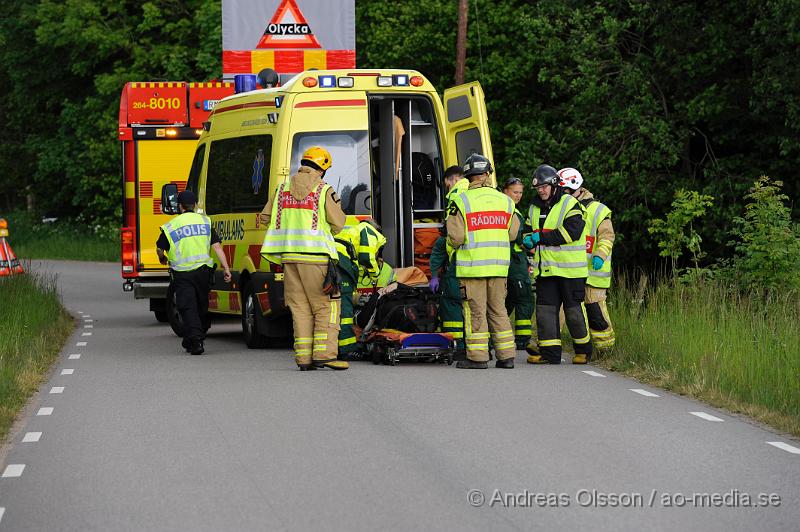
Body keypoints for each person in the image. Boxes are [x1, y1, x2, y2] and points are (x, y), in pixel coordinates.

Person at [260, 146, 349, 371]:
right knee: (326, 306)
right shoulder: (323, 190)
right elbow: (338, 223)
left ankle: (304, 359)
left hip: (289, 258)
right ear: (323, 169)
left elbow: (264, 218)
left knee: (299, 308)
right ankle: (325, 355)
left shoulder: (282, 189)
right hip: (316, 258)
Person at [446, 153, 519, 369]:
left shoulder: (461, 200)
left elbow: (456, 237)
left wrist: (451, 248)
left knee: (475, 311)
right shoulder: (506, 201)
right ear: (487, 174)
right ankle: (507, 357)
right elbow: (513, 234)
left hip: (472, 269)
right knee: (499, 310)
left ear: (468, 176)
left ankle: (477, 358)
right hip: (498, 267)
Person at [522, 164, 592, 365]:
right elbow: (528, 231)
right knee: (545, 313)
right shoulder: (534, 207)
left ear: (554, 185)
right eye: (538, 188)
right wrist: (527, 239)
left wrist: (539, 237)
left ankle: (583, 351)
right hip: (546, 270)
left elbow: (571, 233)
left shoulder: (570, 204)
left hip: (571, 272)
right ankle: (550, 354)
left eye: (544, 186)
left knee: (573, 313)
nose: (541, 191)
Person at [156, 190, 232, 355]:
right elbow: (217, 246)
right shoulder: (204, 222)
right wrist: (226, 268)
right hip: (203, 273)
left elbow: (160, 248)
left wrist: (162, 258)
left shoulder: (172, 225)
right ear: (195, 205)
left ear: (180, 206)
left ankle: (196, 341)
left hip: (183, 274)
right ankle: (195, 336)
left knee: (187, 307)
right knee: (201, 305)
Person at [558, 167, 615, 351]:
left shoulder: (598, 210)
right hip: (570, 269)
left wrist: (600, 255)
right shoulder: (561, 207)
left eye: (564, 190)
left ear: (576, 188)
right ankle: (549, 344)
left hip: (594, 272)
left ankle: (606, 349)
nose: (562, 194)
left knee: (595, 311)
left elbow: (607, 237)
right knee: (559, 307)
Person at [335, 219, 387, 358]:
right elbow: (366, 258)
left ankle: (334, 345)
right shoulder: (371, 233)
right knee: (345, 309)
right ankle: (347, 349)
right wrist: (375, 274)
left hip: (332, 259)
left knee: (333, 306)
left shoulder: (354, 231)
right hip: (340, 261)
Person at [501, 177, 534, 352]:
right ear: (505, 190)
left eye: (521, 192)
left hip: (509, 261)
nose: (519, 195)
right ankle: (522, 340)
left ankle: (495, 335)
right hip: (514, 262)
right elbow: (517, 236)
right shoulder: (509, 209)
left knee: (509, 300)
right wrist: (529, 243)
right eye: (515, 192)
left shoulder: (507, 208)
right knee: (525, 299)